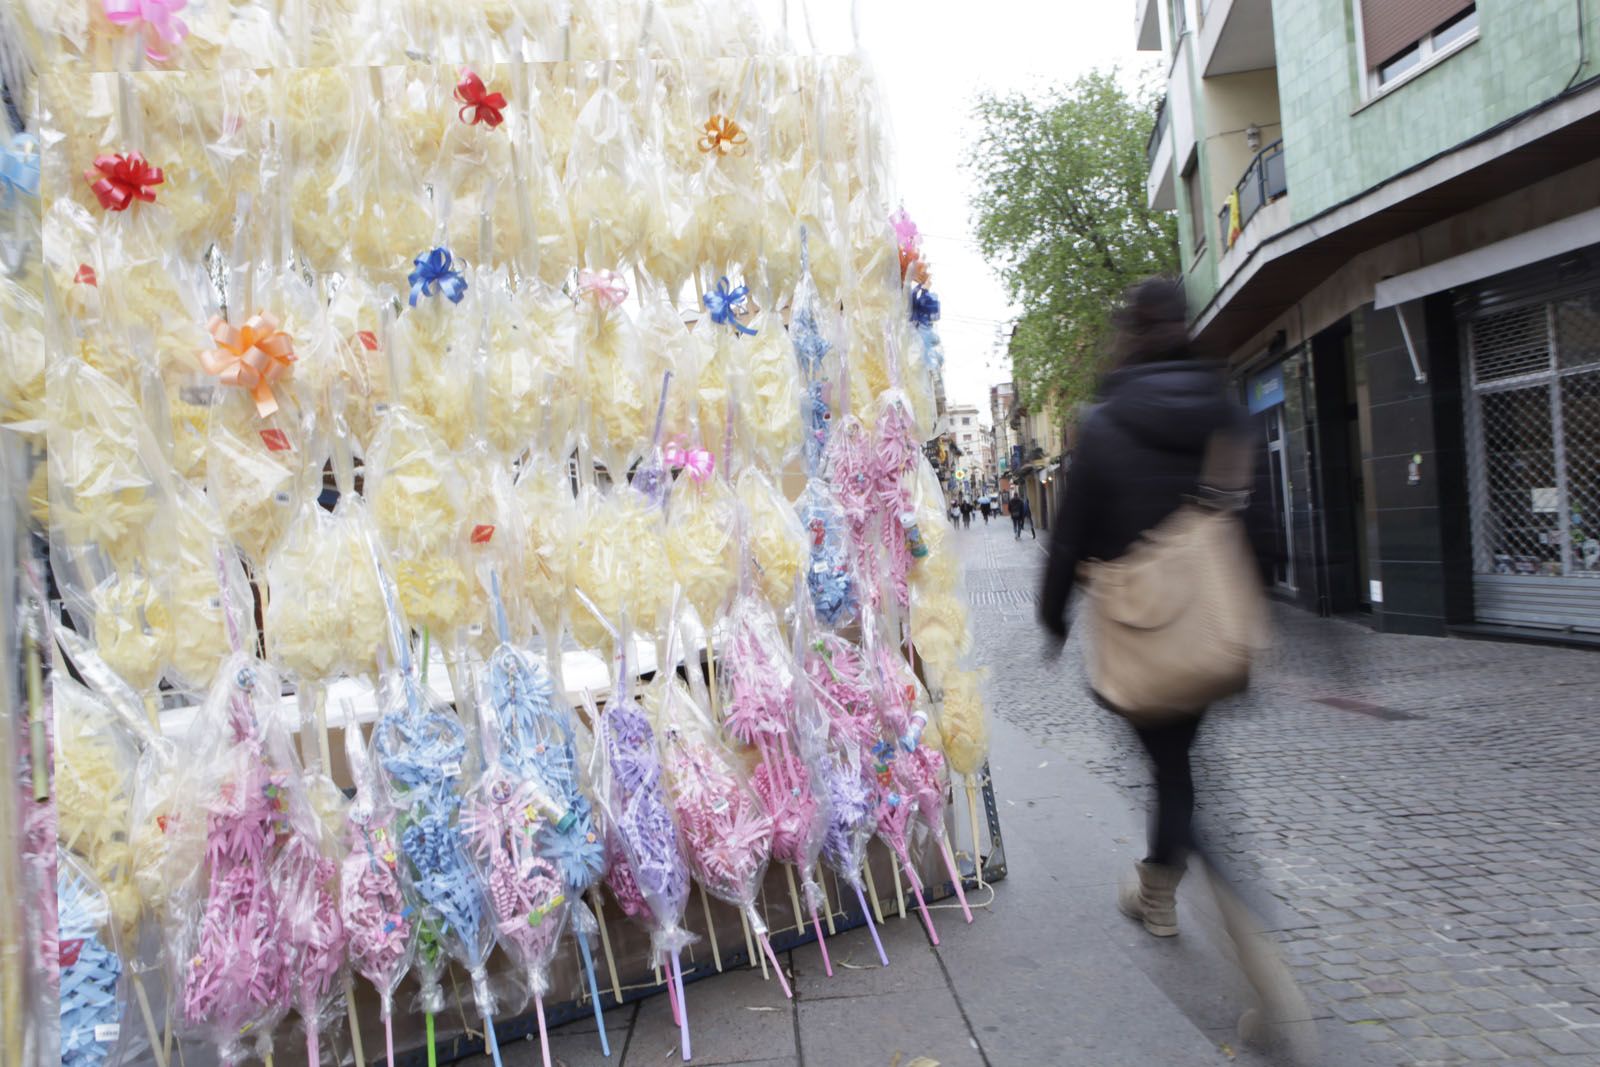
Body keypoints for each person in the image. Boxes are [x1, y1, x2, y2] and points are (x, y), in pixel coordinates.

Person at [1036, 278, 1311, 1058]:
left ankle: (1265, 971)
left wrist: (1053, 617)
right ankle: (1154, 891)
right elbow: (1265, 522)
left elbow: (1068, 535)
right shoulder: (1222, 404)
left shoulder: (1106, 420)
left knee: (1180, 779)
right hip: (1212, 633)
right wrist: (1253, 595)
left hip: (1143, 640)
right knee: (1180, 770)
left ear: (1130, 332)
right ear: (1183, 329)